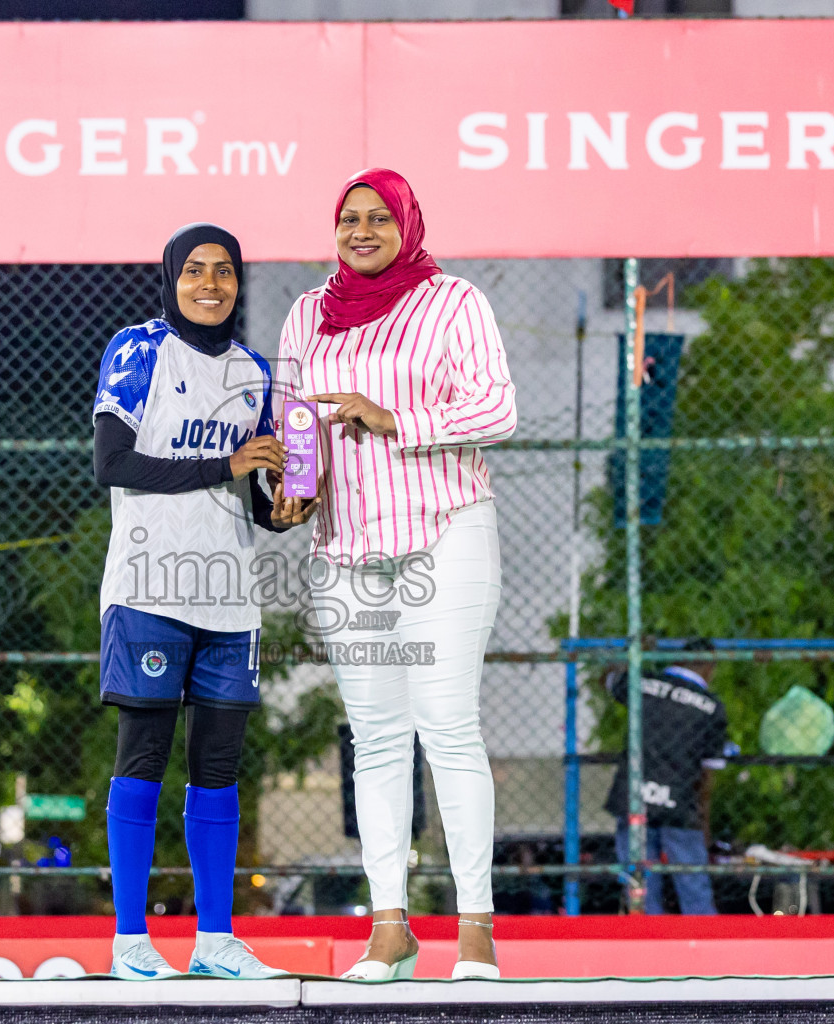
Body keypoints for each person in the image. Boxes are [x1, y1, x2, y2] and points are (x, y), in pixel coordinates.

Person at [276, 168, 517, 980]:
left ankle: (475, 930)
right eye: (349, 218)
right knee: (376, 739)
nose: (363, 230)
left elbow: (497, 410)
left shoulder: (454, 302)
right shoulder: (309, 314)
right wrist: (294, 494)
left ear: (408, 223)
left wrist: (391, 418)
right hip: (346, 550)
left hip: (447, 531)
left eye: (381, 216)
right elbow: (294, 426)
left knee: (447, 723)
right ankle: (390, 929)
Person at [93, 223, 317, 980]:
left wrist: (283, 509)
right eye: (196, 270)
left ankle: (215, 941)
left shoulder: (256, 373)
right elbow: (113, 462)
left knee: (219, 769)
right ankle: (130, 942)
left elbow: (247, 495)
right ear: (172, 277)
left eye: (224, 271)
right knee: (144, 758)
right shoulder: (138, 349)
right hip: (149, 586)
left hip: (230, 601)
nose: (211, 283)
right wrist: (225, 462)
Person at [605, 638, 730, 916]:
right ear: (710, 666)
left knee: (640, 887)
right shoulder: (711, 707)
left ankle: (646, 948)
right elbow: (706, 774)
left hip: (634, 796)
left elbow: (611, 679)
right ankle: (704, 949)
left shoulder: (644, 685)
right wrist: (703, 822)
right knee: (693, 886)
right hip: (680, 802)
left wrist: (631, 652)